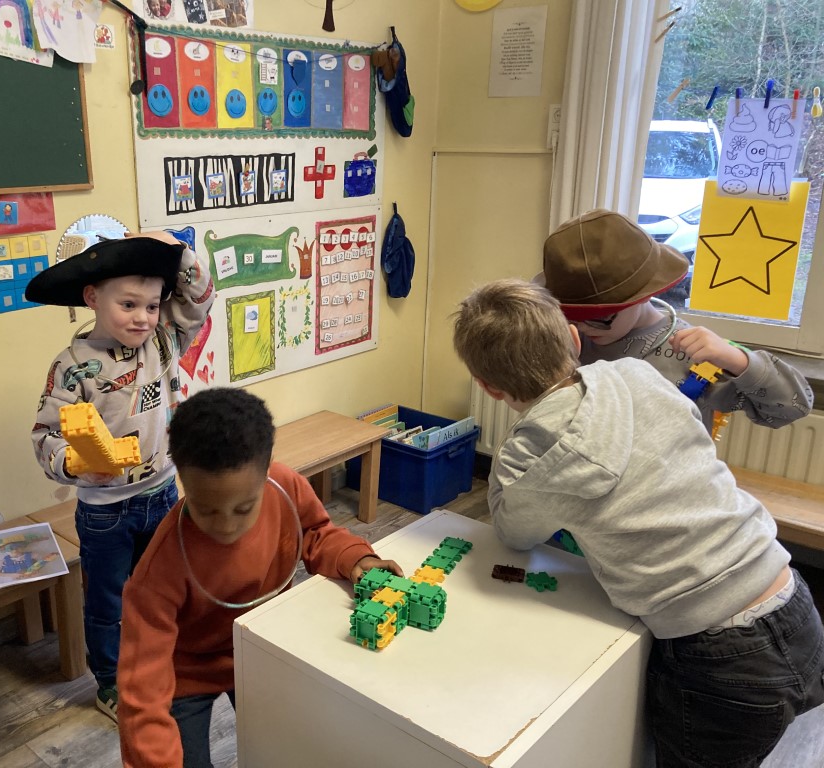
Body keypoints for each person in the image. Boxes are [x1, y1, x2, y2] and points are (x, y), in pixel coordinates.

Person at [452, 278, 824, 768]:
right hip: (793, 600)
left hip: (717, 652)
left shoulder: (529, 450)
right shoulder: (637, 373)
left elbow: (514, 533)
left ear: (487, 386)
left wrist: (508, 464)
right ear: (574, 338)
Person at [117, 387, 404, 767]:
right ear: (182, 480)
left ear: (267, 471)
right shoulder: (158, 571)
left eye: (243, 508)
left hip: (262, 648)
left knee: (287, 747)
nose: (226, 525)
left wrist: (354, 558)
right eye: (207, 510)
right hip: (187, 672)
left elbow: (316, 532)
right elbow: (142, 691)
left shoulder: (286, 487)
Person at [27, 231, 216, 723]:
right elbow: (46, 437)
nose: (142, 317)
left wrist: (176, 250)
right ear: (93, 298)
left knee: (167, 586)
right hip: (105, 510)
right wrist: (74, 462)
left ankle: (165, 659)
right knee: (107, 603)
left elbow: (200, 296)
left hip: (163, 492)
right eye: (128, 304)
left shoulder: (164, 342)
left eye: (152, 306)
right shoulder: (71, 367)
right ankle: (109, 682)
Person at [541, 209, 813, 434]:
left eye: (597, 318)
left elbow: (794, 407)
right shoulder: (566, 339)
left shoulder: (693, 356)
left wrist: (739, 361)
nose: (581, 328)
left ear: (642, 295)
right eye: (569, 316)